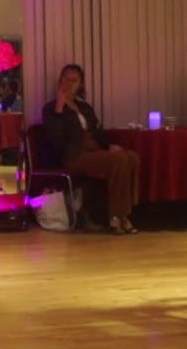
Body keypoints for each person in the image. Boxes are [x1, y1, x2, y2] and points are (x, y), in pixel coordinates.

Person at [41, 64, 141, 235]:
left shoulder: (85, 107)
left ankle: (123, 214)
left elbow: (98, 132)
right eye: (66, 79)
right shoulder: (50, 109)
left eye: (74, 80)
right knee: (119, 160)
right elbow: (55, 142)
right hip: (73, 155)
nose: (69, 84)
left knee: (131, 157)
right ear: (59, 81)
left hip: (93, 151)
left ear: (80, 85)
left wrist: (110, 145)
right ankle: (117, 216)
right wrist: (59, 109)